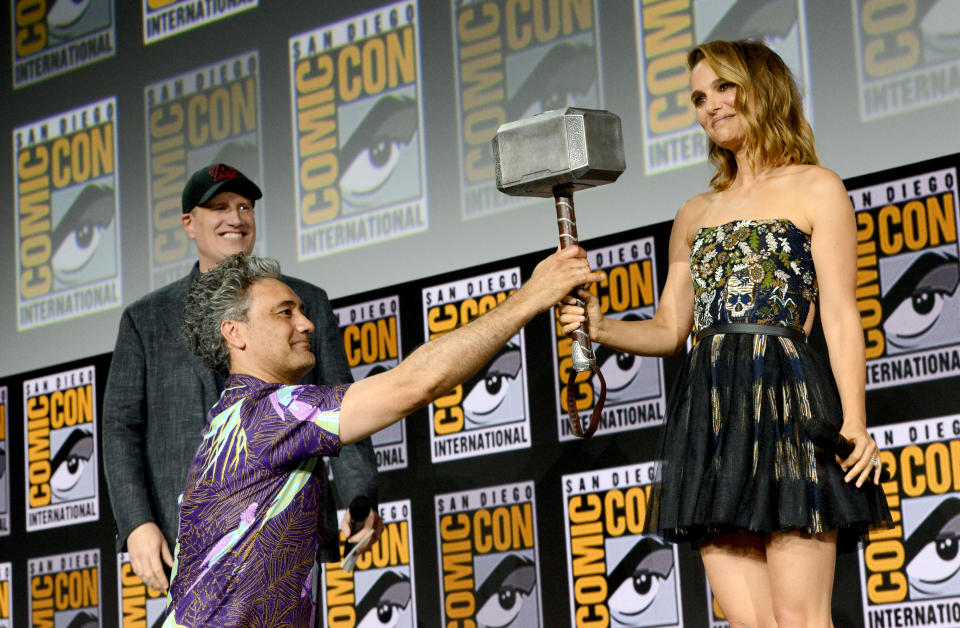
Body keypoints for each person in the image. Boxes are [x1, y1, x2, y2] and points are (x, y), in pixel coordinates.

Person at [560, 40, 891, 626]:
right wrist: (600, 326)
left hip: (791, 408)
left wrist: (855, 424)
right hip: (711, 421)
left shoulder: (817, 187)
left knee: (800, 619)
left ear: (763, 88)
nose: (709, 105)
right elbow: (669, 330)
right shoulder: (693, 213)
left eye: (723, 87)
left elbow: (841, 316)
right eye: (697, 97)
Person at [162, 249, 603, 626]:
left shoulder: (239, 416)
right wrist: (531, 297)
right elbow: (415, 384)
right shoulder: (266, 413)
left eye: (301, 309)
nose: (307, 324)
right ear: (235, 333)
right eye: (285, 312)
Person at [103, 164, 382, 595]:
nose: (235, 218)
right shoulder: (146, 319)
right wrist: (137, 523)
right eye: (219, 207)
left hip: (285, 530)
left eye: (244, 207)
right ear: (189, 224)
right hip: (192, 542)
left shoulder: (305, 302)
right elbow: (120, 428)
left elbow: (341, 402)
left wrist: (359, 495)